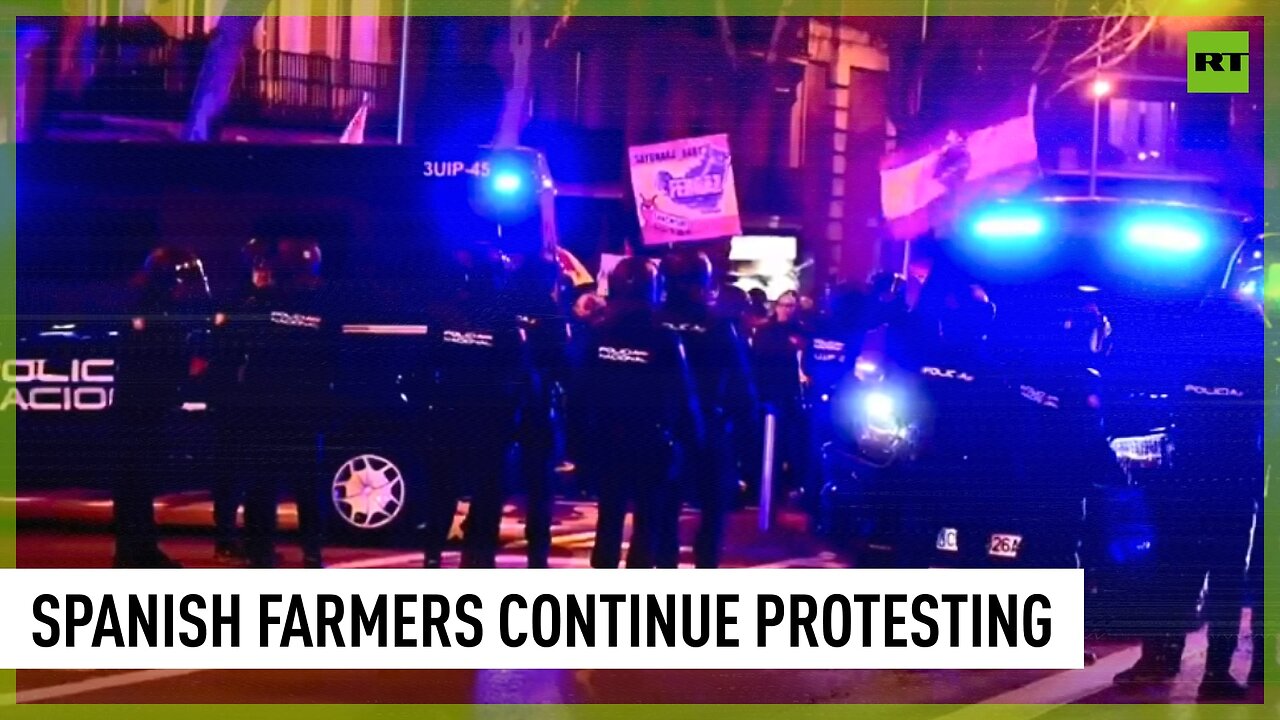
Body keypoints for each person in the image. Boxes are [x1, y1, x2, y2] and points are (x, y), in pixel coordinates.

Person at [1112, 285, 1264, 700]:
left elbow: (1162, 408)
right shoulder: (1255, 364)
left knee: (1173, 576)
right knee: (1223, 584)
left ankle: (1160, 658)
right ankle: (1213, 672)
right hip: (1231, 488)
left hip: (1187, 484)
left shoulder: (1189, 358)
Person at [573, 256, 702, 568]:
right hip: (651, 439)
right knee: (648, 522)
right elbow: (683, 392)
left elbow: (579, 389)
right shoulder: (664, 335)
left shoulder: (598, 331)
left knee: (609, 516)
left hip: (606, 436)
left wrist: (578, 442)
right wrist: (694, 437)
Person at [220, 233, 335, 568]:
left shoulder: (261, 302)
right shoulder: (321, 306)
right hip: (303, 407)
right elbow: (332, 358)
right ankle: (312, 553)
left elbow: (232, 338)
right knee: (307, 486)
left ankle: (260, 553)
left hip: (264, 405)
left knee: (263, 484)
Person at [421, 244, 534, 569]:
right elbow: (518, 372)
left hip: (449, 412)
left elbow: (428, 363)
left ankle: (433, 554)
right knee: (487, 491)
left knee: (443, 488)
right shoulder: (504, 321)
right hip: (489, 418)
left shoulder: (445, 313)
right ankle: (478, 558)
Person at [112, 246, 212, 568]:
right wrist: (188, 367)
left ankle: (141, 550)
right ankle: (133, 555)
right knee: (135, 483)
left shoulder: (153, 305)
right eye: (181, 282)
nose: (185, 290)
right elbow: (151, 360)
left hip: (145, 407)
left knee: (140, 483)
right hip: (140, 409)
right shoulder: (151, 310)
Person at [657, 249, 758, 568]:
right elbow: (741, 383)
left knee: (662, 509)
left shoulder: (654, 321)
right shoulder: (717, 325)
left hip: (663, 426)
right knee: (713, 511)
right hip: (708, 426)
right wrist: (745, 430)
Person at [508, 254, 571, 568]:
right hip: (538, 404)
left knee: (491, 478)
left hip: (504, 401)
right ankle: (537, 551)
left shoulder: (502, 304)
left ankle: (478, 548)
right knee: (540, 482)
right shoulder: (549, 310)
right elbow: (563, 363)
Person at [750, 290, 809, 498]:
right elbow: (757, 363)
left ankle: (787, 487)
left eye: (791, 306)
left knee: (792, 443)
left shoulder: (802, 331)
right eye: (783, 305)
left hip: (793, 393)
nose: (786, 309)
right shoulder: (766, 331)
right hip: (771, 392)